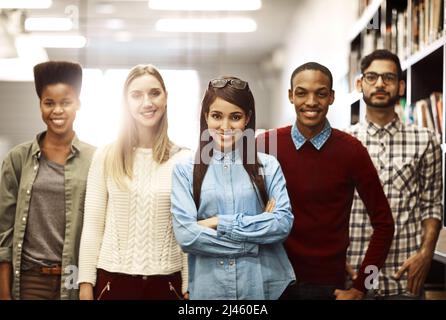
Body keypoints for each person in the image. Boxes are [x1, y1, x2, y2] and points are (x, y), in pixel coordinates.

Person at [257, 62, 395, 300]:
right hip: (269, 282)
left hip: (329, 288)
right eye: (301, 93)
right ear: (291, 96)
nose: (311, 102)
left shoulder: (352, 151)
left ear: (331, 97)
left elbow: (385, 224)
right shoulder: (264, 144)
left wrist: (362, 286)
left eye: (320, 93)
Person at [171, 76, 295, 300]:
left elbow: (282, 224)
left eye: (235, 117)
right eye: (217, 116)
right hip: (210, 291)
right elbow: (187, 236)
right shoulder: (185, 170)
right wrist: (253, 242)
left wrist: (217, 222)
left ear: (247, 118)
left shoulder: (268, 165)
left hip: (265, 288)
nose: (225, 127)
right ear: (206, 117)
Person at [77, 64, 189, 300]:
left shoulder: (185, 160)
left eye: (155, 93)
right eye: (136, 95)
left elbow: (188, 229)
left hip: (167, 284)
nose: (147, 102)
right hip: (113, 283)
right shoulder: (106, 156)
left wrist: (189, 283)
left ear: (166, 97)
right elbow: (93, 226)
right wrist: (86, 284)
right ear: (125, 102)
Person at [345, 49, 443, 299]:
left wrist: (426, 254)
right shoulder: (342, 142)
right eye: (372, 77)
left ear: (401, 87)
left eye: (388, 78)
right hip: (352, 278)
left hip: (402, 278)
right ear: (360, 84)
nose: (380, 84)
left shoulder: (425, 140)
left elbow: (432, 205)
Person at [0, 61, 95, 300]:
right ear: (40, 105)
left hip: (74, 277)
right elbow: (4, 233)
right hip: (31, 280)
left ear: (78, 104)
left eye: (66, 102)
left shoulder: (96, 159)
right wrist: (3, 292)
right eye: (49, 103)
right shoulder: (18, 159)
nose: (57, 110)